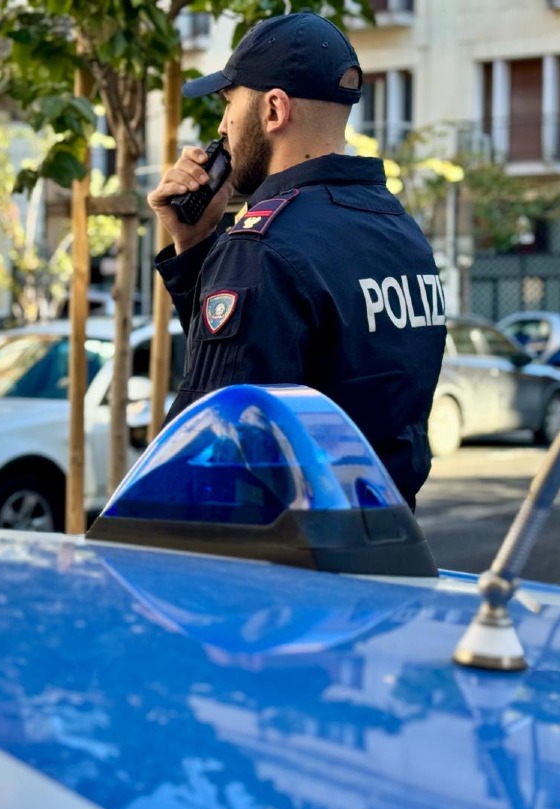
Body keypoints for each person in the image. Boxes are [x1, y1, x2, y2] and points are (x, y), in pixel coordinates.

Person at [148, 12, 446, 510]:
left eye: (229, 104)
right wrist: (195, 245)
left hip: (288, 547)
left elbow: (213, 441)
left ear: (273, 110)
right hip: (387, 534)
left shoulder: (262, 246)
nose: (222, 127)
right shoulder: (401, 230)